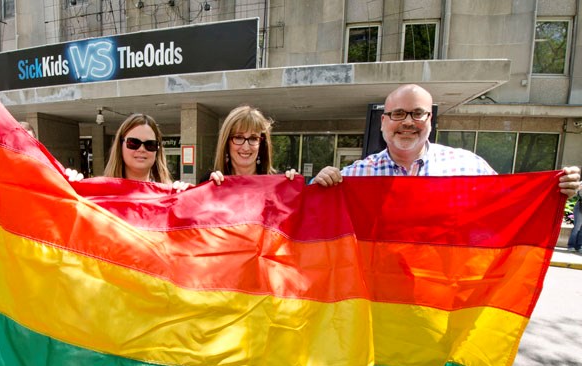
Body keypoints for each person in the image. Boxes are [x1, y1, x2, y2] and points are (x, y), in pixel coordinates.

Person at [313, 84, 581, 198]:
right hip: (381, 302)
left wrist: (554, 190)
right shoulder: (357, 174)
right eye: (398, 114)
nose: (407, 122)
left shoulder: (468, 167)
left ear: (430, 119)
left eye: (417, 113)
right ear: (384, 122)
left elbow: (509, 202)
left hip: (444, 301)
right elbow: (310, 208)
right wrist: (320, 182)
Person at [205, 105, 296, 185]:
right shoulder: (210, 181)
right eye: (238, 137)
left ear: (261, 144)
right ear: (226, 142)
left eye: (253, 138)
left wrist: (295, 187)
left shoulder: (278, 184)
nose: (246, 147)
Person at [104, 113, 173, 184]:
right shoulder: (101, 192)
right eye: (133, 143)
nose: (141, 149)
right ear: (120, 145)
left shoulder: (172, 192)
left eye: (150, 144)